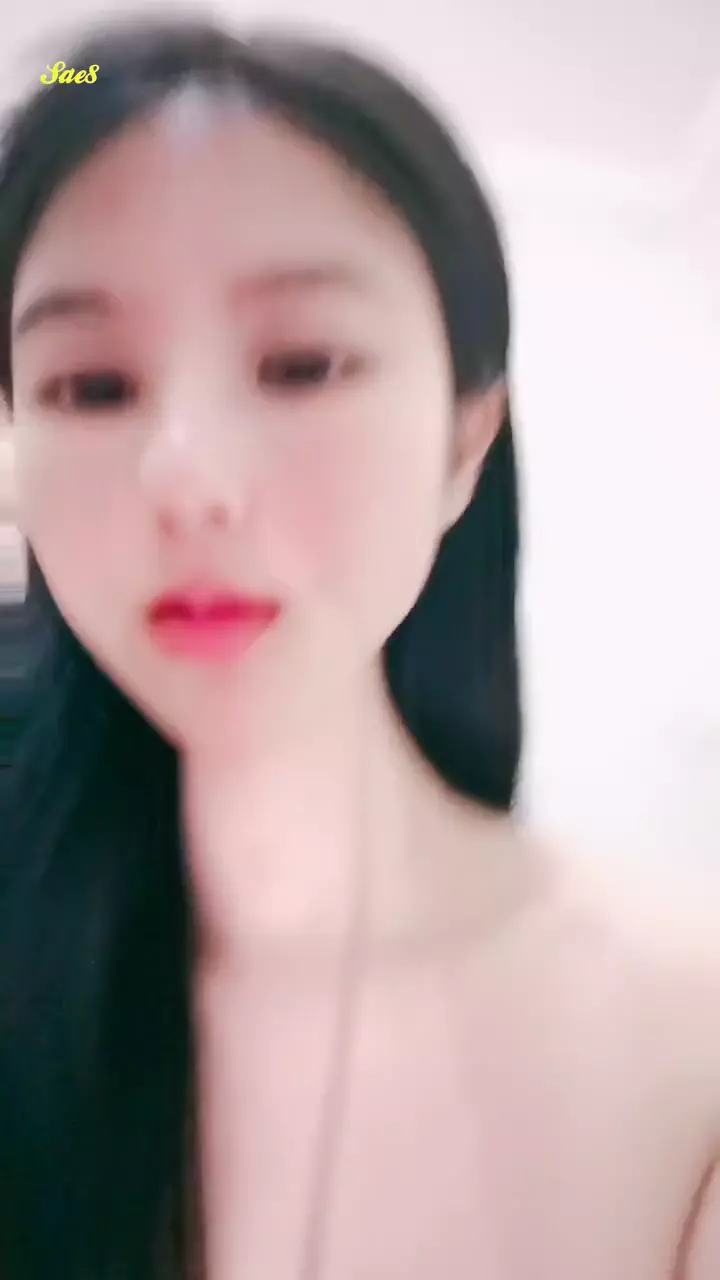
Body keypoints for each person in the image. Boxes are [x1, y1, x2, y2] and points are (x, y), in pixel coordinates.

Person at [0, 15, 719, 1280]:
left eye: (302, 364)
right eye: (92, 386)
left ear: (463, 442)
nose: (190, 479)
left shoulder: (686, 1046)